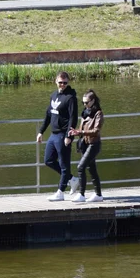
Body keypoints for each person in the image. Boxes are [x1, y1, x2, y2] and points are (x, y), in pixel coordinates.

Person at [36, 71, 80, 201]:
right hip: (53, 135)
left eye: (65, 83)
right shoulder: (53, 96)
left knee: (64, 164)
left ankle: (60, 192)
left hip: (63, 135)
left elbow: (73, 118)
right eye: (60, 82)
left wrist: (69, 136)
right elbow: (48, 116)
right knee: (48, 160)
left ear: (68, 82)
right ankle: (72, 179)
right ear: (56, 82)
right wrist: (40, 132)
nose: (62, 85)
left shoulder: (71, 98)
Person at [69, 90, 104, 203]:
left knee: (80, 167)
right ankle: (98, 195)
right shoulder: (85, 112)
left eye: (87, 102)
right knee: (91, 169)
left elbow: (96, 130)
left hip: (94, 144)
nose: (84, 105)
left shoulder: (98, 113)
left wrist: (81, 133)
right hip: (85, 143)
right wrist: (77, 132)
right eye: (83, 102)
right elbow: (82, 128)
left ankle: (81, 194)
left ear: (93, 101)